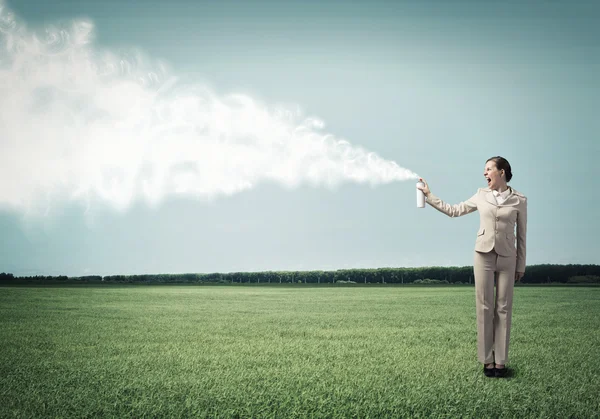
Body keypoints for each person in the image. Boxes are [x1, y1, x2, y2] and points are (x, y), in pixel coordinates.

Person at [417, 156, 527, 378]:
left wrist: (521, 264)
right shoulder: (481, 195)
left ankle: (501, 362)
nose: (485, 173)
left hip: (508, 257)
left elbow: (522, 235)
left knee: (504, 309)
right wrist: (429, 196)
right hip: (483, 255)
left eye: (488, 169)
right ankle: (487, 360)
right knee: (484, 308)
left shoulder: (520, 200)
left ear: (501, 172)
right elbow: (454, 210)